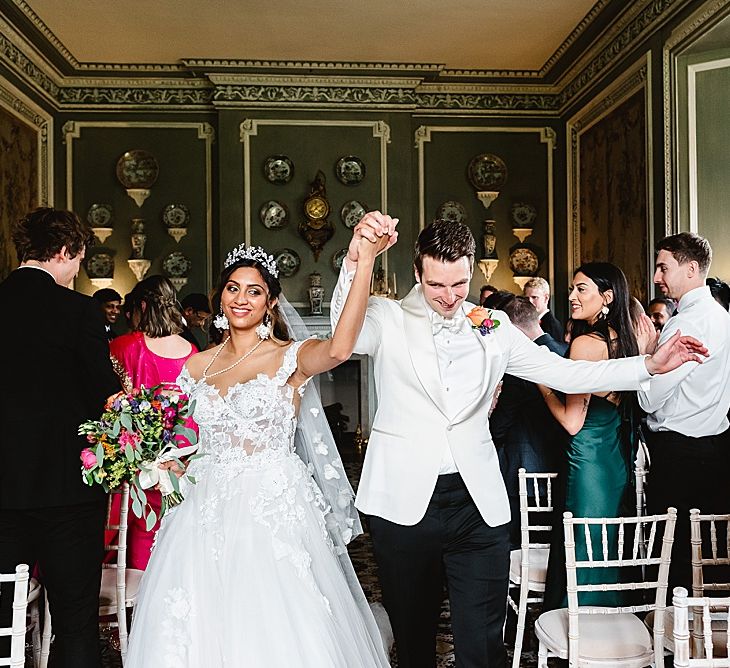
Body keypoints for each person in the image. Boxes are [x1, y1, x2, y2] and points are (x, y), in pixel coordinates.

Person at [330, 212, 707, 668]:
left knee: (483, 646)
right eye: (437, 286)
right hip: (403, 505)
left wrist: (648, 366)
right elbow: (341, 338)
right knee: (413, 644)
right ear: (417, 273)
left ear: (472, 269)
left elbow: (566, 371)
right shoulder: (385, 317)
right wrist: (358, 259)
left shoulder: (491, 325)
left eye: (460, 284)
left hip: (478, 505)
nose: (450, 298)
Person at [125, 236, 392, 667]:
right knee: (197, 624)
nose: (241, 299)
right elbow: (187, 439)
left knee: (271, 623)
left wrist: (363, 265)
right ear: (220, 297)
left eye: (254, 291)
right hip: (202, 509)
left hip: (269, 509)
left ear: (270, 303)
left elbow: (341, 348)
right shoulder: (195, 365)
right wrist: (171, 460)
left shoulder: (289, 357)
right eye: (233, 288)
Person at [0, 208, 121, 667]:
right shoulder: (78, 310)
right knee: (74, 623)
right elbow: (103, 396)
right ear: (67, 251)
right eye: (78, 260)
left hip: (2, 497)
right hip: (66, 492)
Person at [539, 262, 653, 610]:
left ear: (607, 296)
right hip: (615, 461)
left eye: (581, 289)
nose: (572, 295)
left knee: (584, 544)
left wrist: (542, 381)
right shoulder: (628, 339)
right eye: (572, 288)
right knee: (606, 543)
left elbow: (573, 422)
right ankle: (609, 626)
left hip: (587, 461)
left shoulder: (587, 345)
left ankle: (582, 630)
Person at [639, 233, 730, 592]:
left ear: (691, 269)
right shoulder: (722, 316)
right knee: (711, 551)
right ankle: (709, 638)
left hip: (679, 454)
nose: (657, 277)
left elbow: (650, 400)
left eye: (663, 268)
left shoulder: (683, 323)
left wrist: (647, 355)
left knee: (675, 556)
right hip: (717, 446)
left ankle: (674, 638)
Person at [107, 275, 197, 570]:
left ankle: (128, 607)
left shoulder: (124, 346)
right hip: (180, 465)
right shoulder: (193, 352)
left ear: (143, 306)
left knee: (133, 537)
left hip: (133, 467)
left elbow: (107, 404)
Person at [488, 295, 567, 548]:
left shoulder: (520, 364)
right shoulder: (566, 352)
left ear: (512, 330)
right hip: (562, 467)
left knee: (516, 544)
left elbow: (500, 426)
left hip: (523, 473)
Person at [523, 276, 564, 341]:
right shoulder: (527, 321)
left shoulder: (552, 326)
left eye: (534, 297)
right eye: (527, 298)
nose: (530, 301)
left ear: (546, 298)